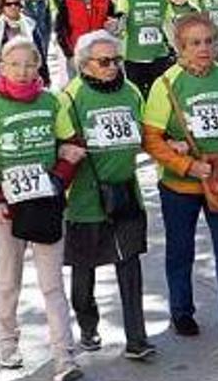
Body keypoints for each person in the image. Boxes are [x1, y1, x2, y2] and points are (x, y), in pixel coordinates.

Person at [142, 13, 218, 347]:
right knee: (180, 250)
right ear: (180, 47)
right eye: (194, 43)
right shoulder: (166, 84)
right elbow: (152, 138)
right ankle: (181, 310)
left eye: (209, 41)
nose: (204, 49)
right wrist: (185, 165)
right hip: (180, 186)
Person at [0, 37, 86, 381]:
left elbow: (73, 148)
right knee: (9, 280)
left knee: (52, 285)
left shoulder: (53, 101)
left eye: (29, 65)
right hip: (7, 207)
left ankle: (63, 356)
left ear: (38, 67)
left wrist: (58, 180)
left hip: (45, 203)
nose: (22, 72)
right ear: (2, 67)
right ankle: (7, 343)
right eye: (14, 64)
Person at [58, 31, 156, 360]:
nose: (113, 66)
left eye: (116, 60)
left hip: (126, 193)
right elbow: (59, 144)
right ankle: (88, 325)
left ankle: (136, 338)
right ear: (84, 65)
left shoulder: (130, 92)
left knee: (130, 267)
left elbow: (145, 134)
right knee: (83, 275)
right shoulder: (70, 97)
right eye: (104, 62)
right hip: (85, 199)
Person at [116, 0, 173, 99]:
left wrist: (177, 49)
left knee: (158, 95)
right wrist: (119, 29)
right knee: (137, 96)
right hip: (134, 56)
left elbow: (168, 25)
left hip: (158, 55)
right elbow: (121, 21)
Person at [55, 0, 116, 76]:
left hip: (100, 57)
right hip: (77, 56)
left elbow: (113, 26)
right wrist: (69, 54)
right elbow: (60, 30)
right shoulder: (67, 0)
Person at [22, 0, 53, 75]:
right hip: (28, 35)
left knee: (42, 59)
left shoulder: (45, 1)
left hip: (43, 35)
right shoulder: (23, 1)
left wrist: (48, 35)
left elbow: (48, 19)